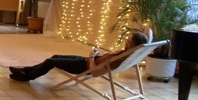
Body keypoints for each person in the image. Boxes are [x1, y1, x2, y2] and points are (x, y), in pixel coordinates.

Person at [9, 31, 149, 82]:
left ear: (134, 46)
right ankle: (26, 70)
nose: (126, 42)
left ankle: (28, 76)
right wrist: (95, 55)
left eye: (129, 42)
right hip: (86, 60)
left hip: (84, 67)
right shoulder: (126, 54)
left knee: (51, 61)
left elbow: (95, 72)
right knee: (55, 56)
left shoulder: (120, 59)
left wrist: (92, 57)